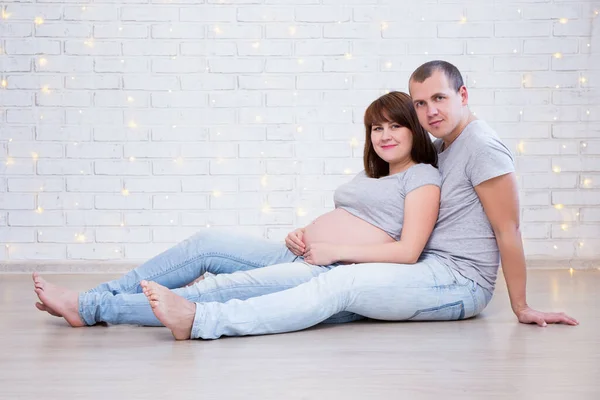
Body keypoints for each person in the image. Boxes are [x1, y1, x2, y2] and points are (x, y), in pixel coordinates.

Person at [33, 91, 443, 337]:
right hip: (302, 253)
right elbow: (350, 218)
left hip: (326, 271)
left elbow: (408, 251)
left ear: (413, 130)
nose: (384, 136)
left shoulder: (422, 176)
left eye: (394, 127)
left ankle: (88, 308)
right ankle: (100, 294)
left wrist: (332, 249)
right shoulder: (371, 174)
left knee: (220, 289)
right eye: (376, 128)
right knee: (207, 243)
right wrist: (302, 233)